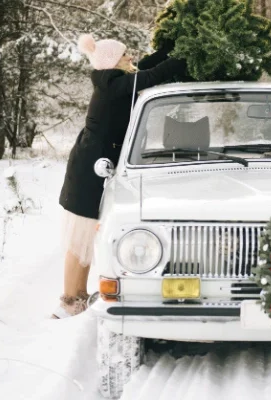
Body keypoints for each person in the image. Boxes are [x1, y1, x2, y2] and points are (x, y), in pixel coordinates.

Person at [52, 34, 187, 319]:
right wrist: (184, 57)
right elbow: (153, 75)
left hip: (94, 162)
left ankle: (78, 295)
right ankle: (68, 301)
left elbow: (147, 65)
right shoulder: (114, 85)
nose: (130, 59)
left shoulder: (115, 81)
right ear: (113, 62)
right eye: (125, 56)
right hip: (89, 167)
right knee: (80, 236)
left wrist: (167, 48)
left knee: (86, 234)